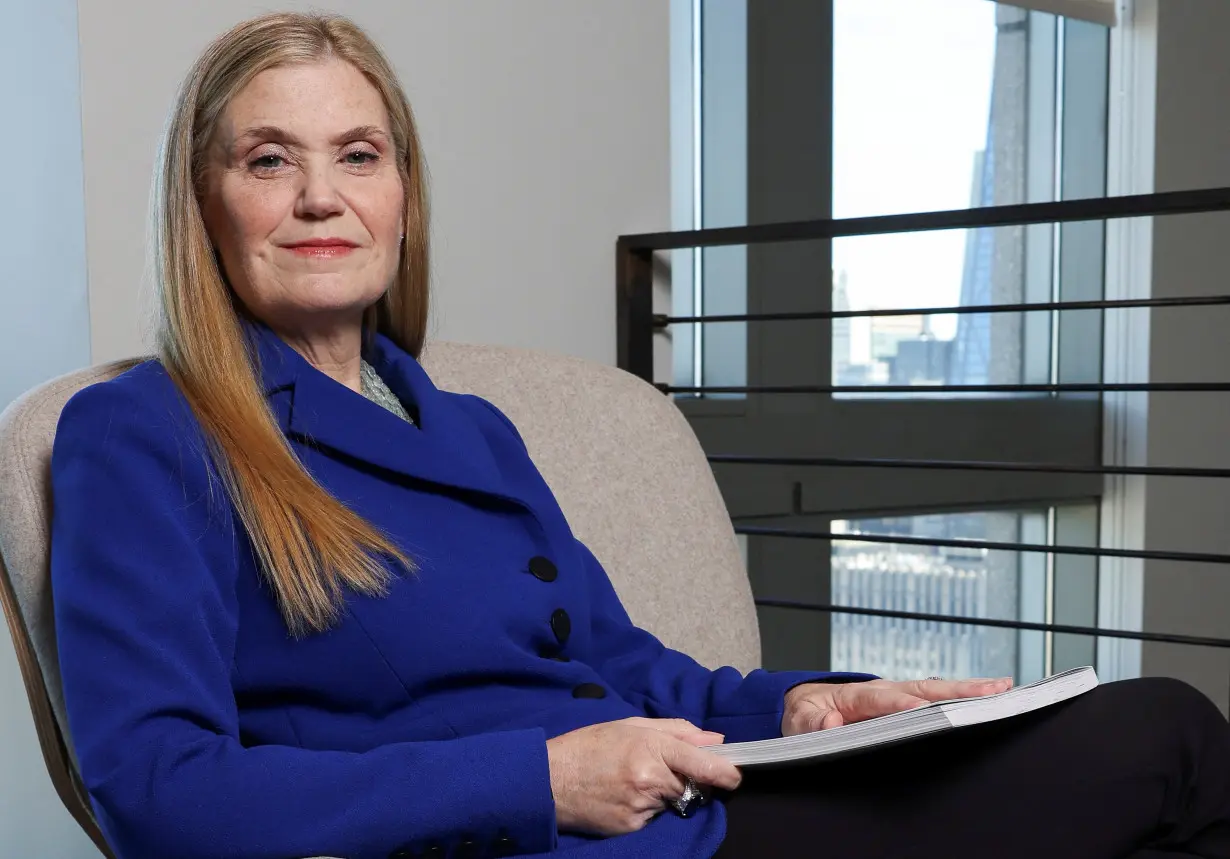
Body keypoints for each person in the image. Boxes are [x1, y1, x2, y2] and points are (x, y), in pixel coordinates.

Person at [47, 12, 1229, 859]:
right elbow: (160, 794)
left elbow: (626, 668)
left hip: (692, 802)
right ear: (204, 203)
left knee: (1148, 724)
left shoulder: (471, 427)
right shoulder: (143, 432)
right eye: (269, 159)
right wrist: (539, 781)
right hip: (547, 839)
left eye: (359, 154)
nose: (321, 197)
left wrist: (804, 708)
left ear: (402, 192)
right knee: (1162, 740)